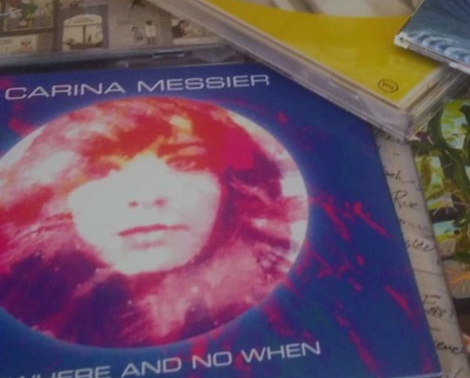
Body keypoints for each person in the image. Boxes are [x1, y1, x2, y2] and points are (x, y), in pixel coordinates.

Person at [0, 97, 308, 348]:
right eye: (101, 171)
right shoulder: (24, 302)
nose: (146, 195)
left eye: (185, 163)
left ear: (232, 185)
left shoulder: (284, 304)